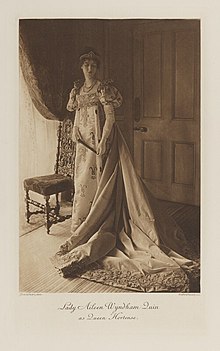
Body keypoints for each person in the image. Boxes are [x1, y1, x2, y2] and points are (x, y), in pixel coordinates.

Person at [51, 49, 199, 292]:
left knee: (100, 184)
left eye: (93, 65)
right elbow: (73, 111)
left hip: (100, 143)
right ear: (81, 67)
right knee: (82, 183)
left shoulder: (103, 88)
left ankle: (99, 223)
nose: (90, 69)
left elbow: (110, 118)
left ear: (97, 68)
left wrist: (102, 143)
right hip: (82, 145)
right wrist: (75, 131)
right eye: (86, 65)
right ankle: (81, 226)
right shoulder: (78, 89)